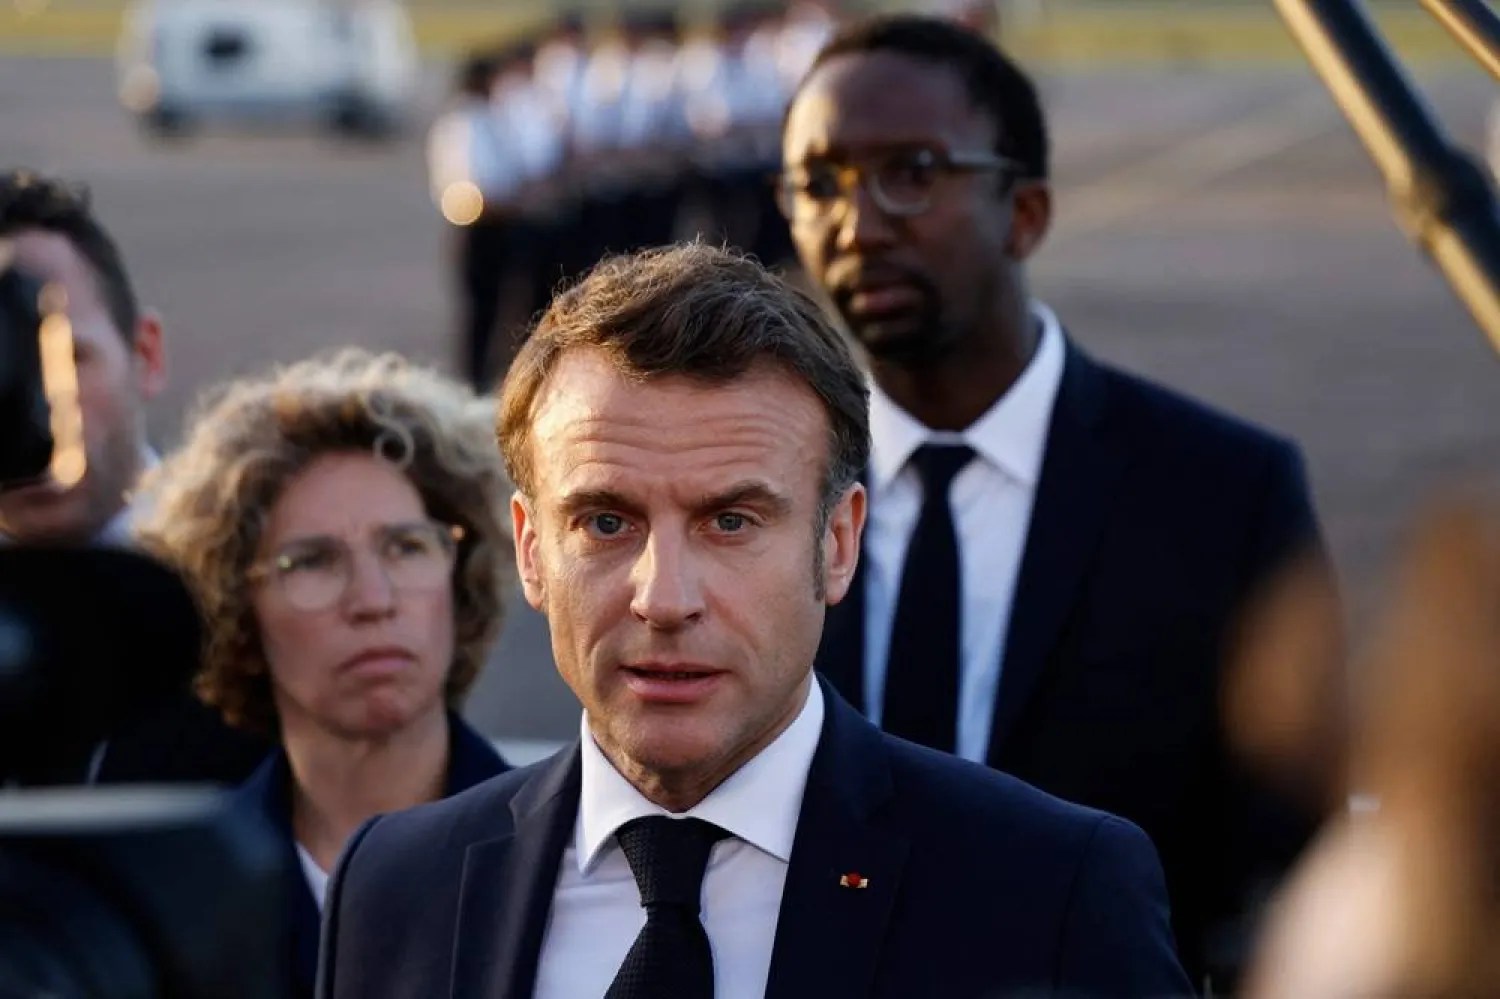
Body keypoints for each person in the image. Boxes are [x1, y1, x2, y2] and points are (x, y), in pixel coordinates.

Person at [315, 243, 1192, 999]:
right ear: (531, 549)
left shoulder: (1049, 893)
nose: (665, 598)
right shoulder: (394, 888)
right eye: (606, 522)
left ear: (839, 542)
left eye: (731, 522)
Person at [778, 14, 1336, 991]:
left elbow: (1292, 867)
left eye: (912, 170)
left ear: (1025, 211)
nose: (856, 223)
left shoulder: (1222, 496)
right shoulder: (760, 490)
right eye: (820, 182)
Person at [133, 348, 514, 999]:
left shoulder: (569, 853)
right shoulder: (180, 894)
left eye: (407, 546)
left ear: (460, 575)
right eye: (311, 562)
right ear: (236, 612)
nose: (373, 598)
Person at [0, 168, 268, 787]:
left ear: (145, 355)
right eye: (7, 371)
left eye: (71, 359)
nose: (43, 405)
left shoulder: (263, 578)